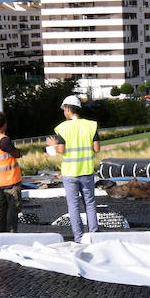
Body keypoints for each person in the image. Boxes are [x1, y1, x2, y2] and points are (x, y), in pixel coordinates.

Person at [47, 93, 100, 242]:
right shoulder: (91, 125)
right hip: (87, 171)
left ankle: (78, 238)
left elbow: (61, 150)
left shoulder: (63, 128)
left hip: (70, 173)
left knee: (73, 206)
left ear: (68, 109)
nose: (64, 112)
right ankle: (94, 236)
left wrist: (53, 145)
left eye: (64, 109)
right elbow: (96, 148)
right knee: (90, 203)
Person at [0, 110, 23, 233]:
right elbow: (15, 153)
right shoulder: (4, 140)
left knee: (2, 207)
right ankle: (11, 232)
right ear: (4, 124)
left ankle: (0, 231)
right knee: (13, 208)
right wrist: (20, 152)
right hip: (10, 179)